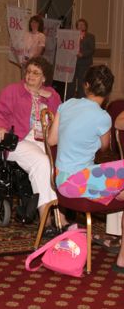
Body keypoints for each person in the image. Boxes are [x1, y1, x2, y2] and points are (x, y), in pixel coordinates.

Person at [48, 65, 124, 273]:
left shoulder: (67, 105)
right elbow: (106, 147)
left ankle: (117, 195)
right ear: (108, 92)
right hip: (79, 184)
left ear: (86, 85)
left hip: (60, 180)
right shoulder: (103, 117)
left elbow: (51, 139)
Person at [0, 56, 68, 235]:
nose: (30, 75)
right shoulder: (13, 91)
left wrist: (51, 98)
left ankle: (58, 216)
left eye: (36, 73)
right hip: (18, 140)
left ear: (44, 78)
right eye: (29, 71)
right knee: (41, 162)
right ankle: (47, 219)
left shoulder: (51, 95)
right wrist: (0, 126)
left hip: (44, 141)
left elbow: (61, 117)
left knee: (56, 166)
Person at [67, 18, 95, 99]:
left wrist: (82, 54)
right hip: (73, 63)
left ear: (85, 26)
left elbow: (92, 50)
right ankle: (70, 99)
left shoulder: (90, 36)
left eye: (82, 24)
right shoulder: (72, 36)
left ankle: (81, 99)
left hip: (84, 63)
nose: (80, 26)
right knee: (71, 83)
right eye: (79, 24)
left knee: (81, 83)